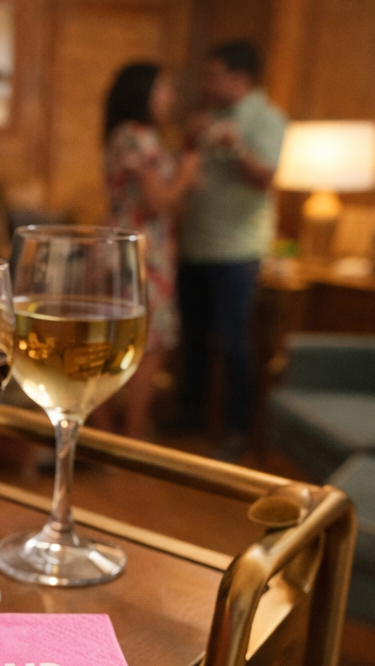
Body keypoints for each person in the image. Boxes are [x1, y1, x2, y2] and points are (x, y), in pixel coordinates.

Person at [178, 40, 287, 457]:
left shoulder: (267, 118)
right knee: (195, 337)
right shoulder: (210, 117)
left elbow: (266, 177)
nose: (208, 83)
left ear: (240, 77)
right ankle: (189, 417)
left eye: (214, 75)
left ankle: (238, 430)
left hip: (237, 250)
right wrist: (191, 142)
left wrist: (235, 145)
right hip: (196, 243)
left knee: (232, 340)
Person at [99, 63, 199, 439]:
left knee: (117, 341)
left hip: (126, 249)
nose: (170, 97)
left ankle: (107, 437)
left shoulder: (124, 136)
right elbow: (157, 201)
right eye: (165, 88)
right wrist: (187, 174)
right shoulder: (137, 136)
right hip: (142, 252)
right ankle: (131, 439)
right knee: (146, 344)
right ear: (144, 93)